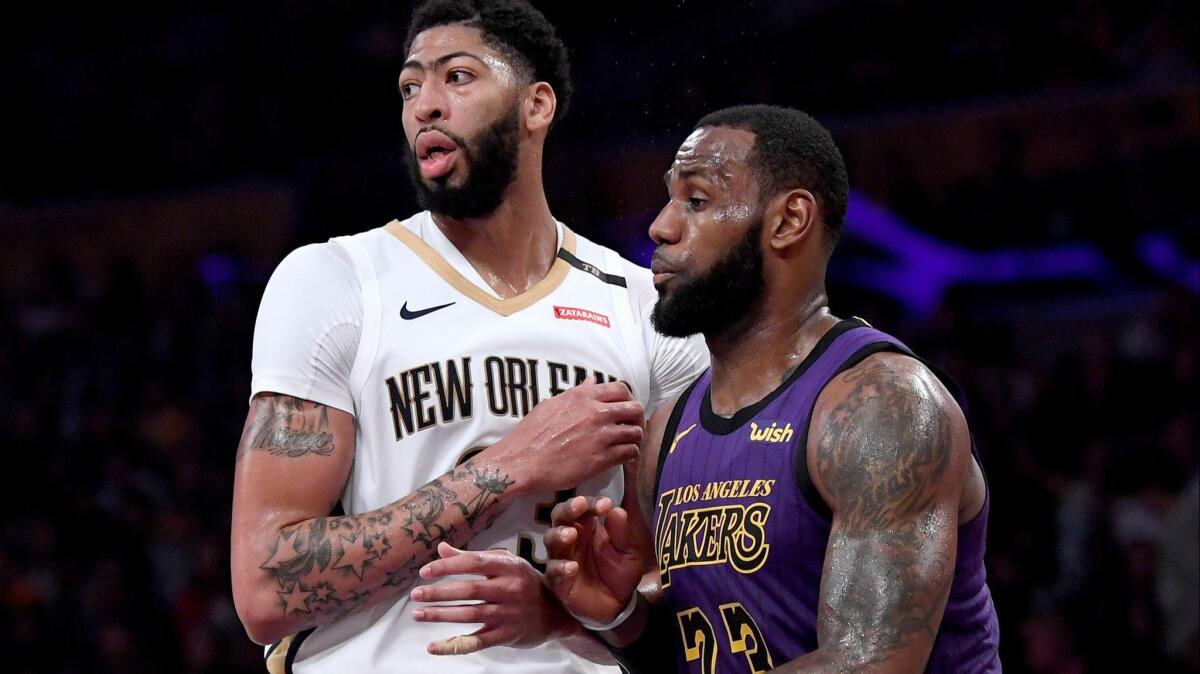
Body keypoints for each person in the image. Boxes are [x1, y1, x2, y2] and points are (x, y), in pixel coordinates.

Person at [228, 1, 708, 672]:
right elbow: (264, 588)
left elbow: (694, 582)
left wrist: (560, 613)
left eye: (457, 77)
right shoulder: (335, 282)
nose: (424, 104)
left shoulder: (643, 308)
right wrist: (510, 467)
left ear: (535, 106)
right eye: (410, 86)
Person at [534, 105, 1002, 672]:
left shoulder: (884, 408)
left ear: (788, 221)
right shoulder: (668, 429)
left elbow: (870, 666)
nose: (660, 226)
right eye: (669, 198)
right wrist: (621, 619)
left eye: (697, 201)